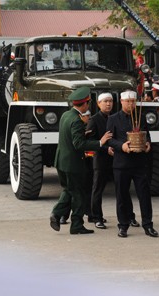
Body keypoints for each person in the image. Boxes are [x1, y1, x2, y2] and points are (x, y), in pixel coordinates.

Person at [49, 87, 112, 235]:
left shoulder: (66, 115)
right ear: (84, 104)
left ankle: (57, 214)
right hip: (73, 163)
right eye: (88, 103)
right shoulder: (77, 120)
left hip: (61, 161)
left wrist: (83, 134)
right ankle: (76, 224)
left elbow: (71, 137)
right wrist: (100, 142)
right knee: (78, 194)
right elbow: (79, 145)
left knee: (68, 190)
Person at [106, 90, 158, 238]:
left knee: (144, 195)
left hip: (140, 163)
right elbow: (109, 139)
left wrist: (148, 144)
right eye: (127, 101)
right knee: (122, 196)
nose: (130, 104)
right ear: (121, 102)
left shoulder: (141, 118)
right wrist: (121, 146)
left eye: (133, 101)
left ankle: (148, 225)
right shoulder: (114, 119)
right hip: (121, 164)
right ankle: (123, 225)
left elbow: (147, 135)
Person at [86, 93, 115, 229]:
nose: (108, 104)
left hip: (115, 159)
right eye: (105, 101)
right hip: (101, 159)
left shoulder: (114, 118)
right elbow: (90, 142)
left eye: (110, 101)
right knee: (97, 189)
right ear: (98, 104)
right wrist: (105, 148)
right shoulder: (94, 119)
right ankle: (96, 217)